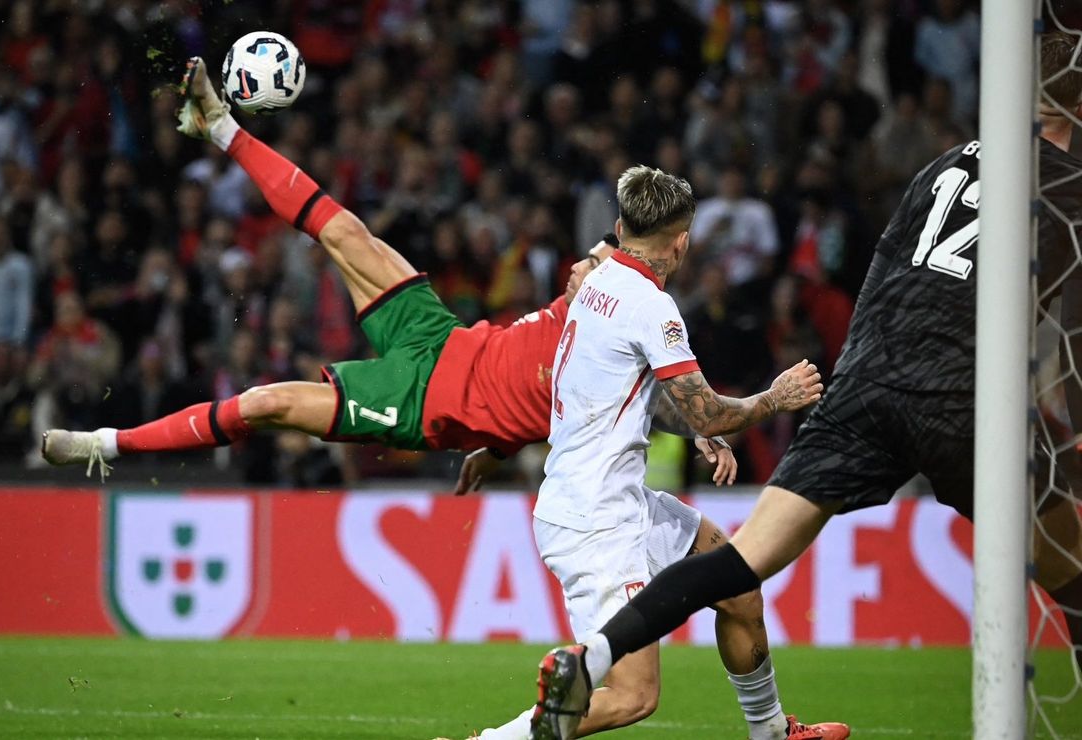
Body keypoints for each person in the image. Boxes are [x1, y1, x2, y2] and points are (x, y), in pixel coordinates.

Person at [43, 58, 848, 739]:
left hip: (459, 408)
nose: (589, 260)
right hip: (446, 355)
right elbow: (668, 382)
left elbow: (655, 390)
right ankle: (214, 136)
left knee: (736, 582)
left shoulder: (608, 293)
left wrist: (499, 441)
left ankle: (776, 734)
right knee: (337, 242)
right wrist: (753, 405)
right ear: (668, 245)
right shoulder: (620, 286)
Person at [529, 34, 1082, 740]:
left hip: (865, 387)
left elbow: (884, 270)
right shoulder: (1068, 191)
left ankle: (600, 656)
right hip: (959, 396)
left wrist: (852, 378)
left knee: (736, 566)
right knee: (1071, 579)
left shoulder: (945, 166)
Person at [522, 165, 834, 740]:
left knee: (738, 586)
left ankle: (770, 733)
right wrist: (774, 397)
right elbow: (709, 410)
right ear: (684, 240)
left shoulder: (597, 282)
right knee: (632, 698)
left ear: (620, 226)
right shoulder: (650, 305)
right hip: (597, 522)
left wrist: (692, 426)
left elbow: (637, 393)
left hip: (615, 501)